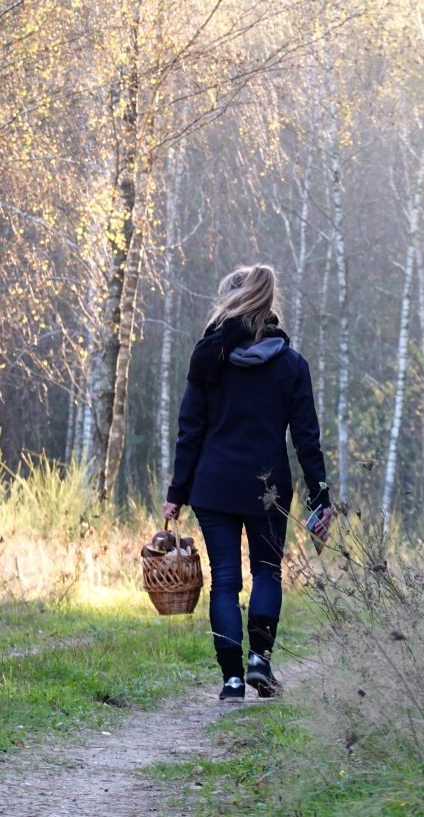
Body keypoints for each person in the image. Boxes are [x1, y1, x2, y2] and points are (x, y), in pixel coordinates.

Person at [163, 263, 333, 701]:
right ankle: (260, 661)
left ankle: (232, 681)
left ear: (232, 300)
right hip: (267, 488)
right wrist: (321, 495)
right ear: (269, 302)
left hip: (213, 485)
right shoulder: (292, 365)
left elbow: (190, 430)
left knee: (224, 580)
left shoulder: (209, 357)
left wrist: (176, 494)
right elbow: (306, 438)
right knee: (267, 572)